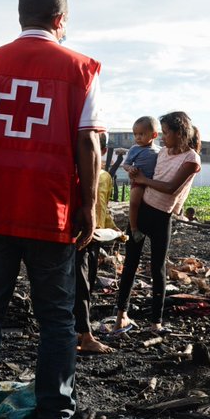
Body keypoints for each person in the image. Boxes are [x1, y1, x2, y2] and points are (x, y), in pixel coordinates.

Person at [0, 0, 103, 419]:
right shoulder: (81, 69)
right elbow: (88, 142)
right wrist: (88, 206)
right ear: (60, 20)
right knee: (57, 319)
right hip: (50, 210)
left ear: (20, 16)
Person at [113, 111, 202, 335]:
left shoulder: (191, 159)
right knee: (130, 264)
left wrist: (142, 179)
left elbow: (172, 187)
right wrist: (135, 173)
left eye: (166, 133)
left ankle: (156, 322)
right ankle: (121, 315)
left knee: (158, 269)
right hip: (142, 210)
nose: (163, 138)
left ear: (179, 133)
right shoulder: (162, 152)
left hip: (162, 215)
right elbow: (144, 170)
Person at [76, 131, 118, 356]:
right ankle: (85, 335)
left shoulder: (102, 176)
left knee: (83, 284)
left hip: (90, 234)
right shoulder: (94, 175)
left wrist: (112, 227)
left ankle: (78, 331)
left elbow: (103, 207)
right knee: (82, 285)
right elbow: (95, 207)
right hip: (84, 235)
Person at [123, 117, 160, 235]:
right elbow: (126, 164)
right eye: (135, 134)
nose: (137, 137)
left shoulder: (160, 151)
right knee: (134, 204)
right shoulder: (134, 149)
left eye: (141, 134)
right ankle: (134, 229)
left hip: (153, 183)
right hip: (138, 181)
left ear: (154, 135)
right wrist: (130, 168)